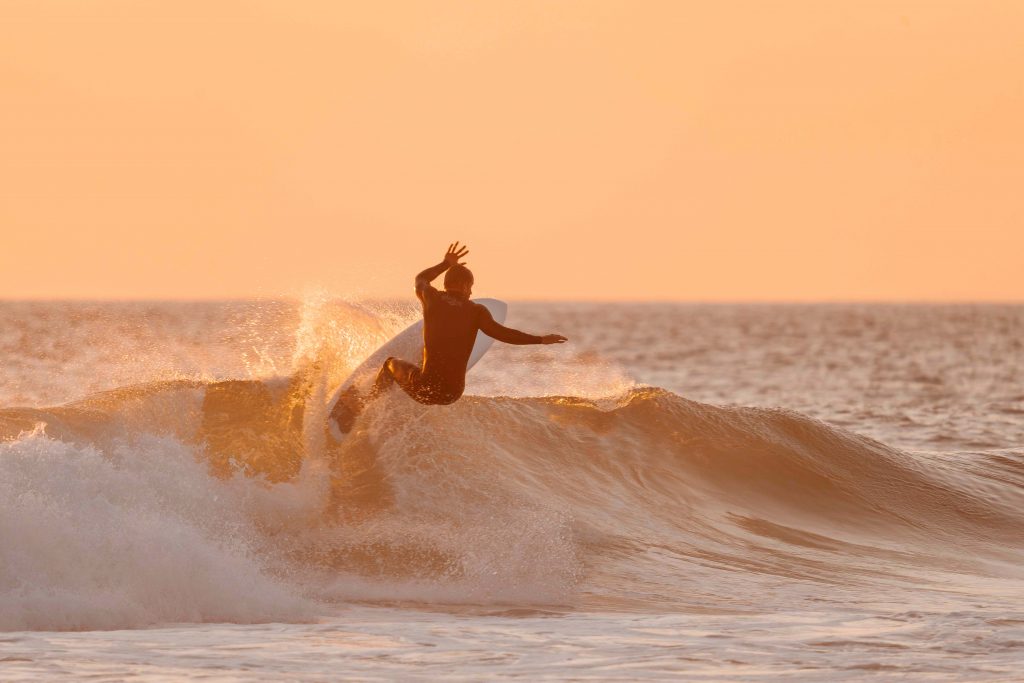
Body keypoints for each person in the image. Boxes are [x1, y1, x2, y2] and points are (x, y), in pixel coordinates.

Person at [330, 242, 567, 433]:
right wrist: (540, 339)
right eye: (471, 286)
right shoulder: (477, 311)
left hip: (425, 388)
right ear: (464, 285)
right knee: (433, 368)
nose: (472, 292)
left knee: (390, 364)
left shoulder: (431, 299)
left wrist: (445, 263)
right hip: (452, 394)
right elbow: (503, 334)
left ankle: (359, 408)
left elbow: (420, 279)